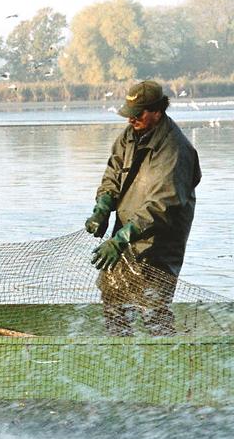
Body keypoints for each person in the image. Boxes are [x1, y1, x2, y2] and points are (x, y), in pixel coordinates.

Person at [84, 80, 201, 335]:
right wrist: (102, 207)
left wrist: (119, 240)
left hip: (160, 240)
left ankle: (164, 363)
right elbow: (112, 175)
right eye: (129, 114)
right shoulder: (129, 136)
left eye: (138, 114)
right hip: (126, 231)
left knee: (153, 308)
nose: (131, 120)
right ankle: (121, 356)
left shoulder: (175, 148)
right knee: (113, 298)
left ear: (157, 111)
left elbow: (162, 206)